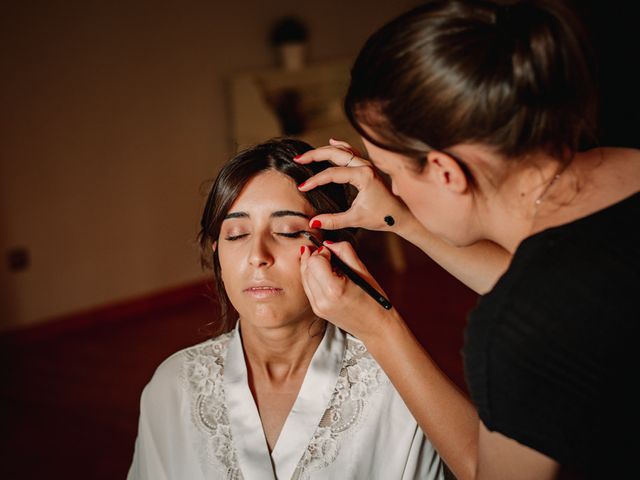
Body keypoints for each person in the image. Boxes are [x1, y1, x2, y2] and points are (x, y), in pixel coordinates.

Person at [295, 1, 640, 479]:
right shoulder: (624, 171)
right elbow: (571, 297)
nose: (392, 188)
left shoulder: (518, 331)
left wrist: (377, 325)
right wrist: (403, 220)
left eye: (392, 172)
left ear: (444, 170)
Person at [127, 139, 445, 480]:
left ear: (334, 246)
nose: (257, 255)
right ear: (216, 251)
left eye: (288, 231)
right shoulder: (173, 387)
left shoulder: (396, 392)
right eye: (237, 234)